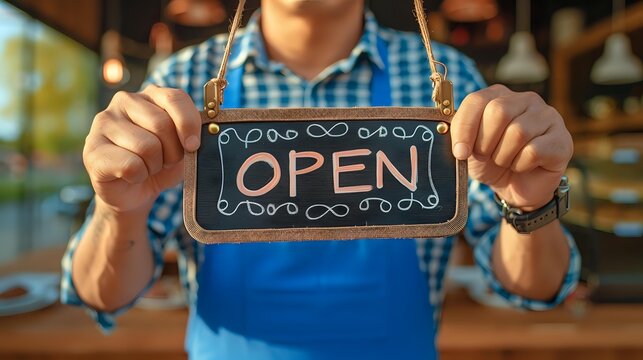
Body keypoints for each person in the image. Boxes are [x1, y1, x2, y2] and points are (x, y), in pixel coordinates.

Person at [61, 0, 580, 359]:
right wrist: (118, 208)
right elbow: (101, 294)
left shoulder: (445, 81)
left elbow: (532, 288)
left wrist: (529, 202)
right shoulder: (179, 84)